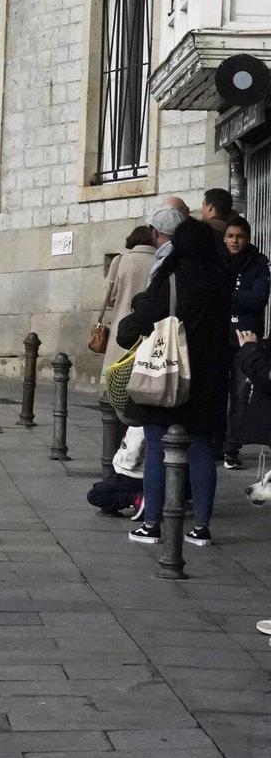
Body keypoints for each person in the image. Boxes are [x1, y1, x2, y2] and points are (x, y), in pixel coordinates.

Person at [119, 217, 232, 548]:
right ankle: (201, 528)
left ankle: (152, 523)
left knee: (157, 447)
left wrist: (132, 320)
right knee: (199, 450)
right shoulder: (222, 278)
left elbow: (144, 318)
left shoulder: (171, 277)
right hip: (209, 379)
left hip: (168, 373)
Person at [95, 225, 158, 478]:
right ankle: (136, 450)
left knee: (113, 393)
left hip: (122, 333)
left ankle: (114, 455)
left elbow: (109, 299)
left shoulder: (121, 260)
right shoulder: (159, 260)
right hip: (147, 335)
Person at [224, 215, 270, 471]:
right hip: (220, 337)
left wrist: (229, 294)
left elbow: (258, 298)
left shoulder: (258, 265)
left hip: (246, 339)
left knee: (240, 394)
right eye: (230, 236)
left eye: (239, 236)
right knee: (220, 393)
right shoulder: (218, 261)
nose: (234, 241)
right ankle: (216, 444)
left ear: (247, 238)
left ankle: (232, 448)